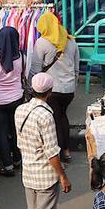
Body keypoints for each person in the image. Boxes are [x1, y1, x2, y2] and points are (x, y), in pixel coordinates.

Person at [17, 72, 72, 209]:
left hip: (28, 170)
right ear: (49, 92)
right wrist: (62, 176)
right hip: (45, 174)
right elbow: (52, 151)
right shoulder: (45, 115)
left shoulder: (21, 110)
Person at [28, 12, 79, 163]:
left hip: (51, 89)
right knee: (62, 116)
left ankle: (60, 152)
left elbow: (35, 69)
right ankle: (67, 150)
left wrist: (31, 87)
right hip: (68, 89)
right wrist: (73, 85)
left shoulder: (42, 43)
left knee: (55, 119)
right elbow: (76, 68)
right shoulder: (71, 41)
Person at [0, 27, 25, 177]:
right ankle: (18, 160)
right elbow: (22, 75)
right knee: (15, 131)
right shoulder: (20, 56)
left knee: (1, 132)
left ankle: (7, 166)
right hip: (16, 99)